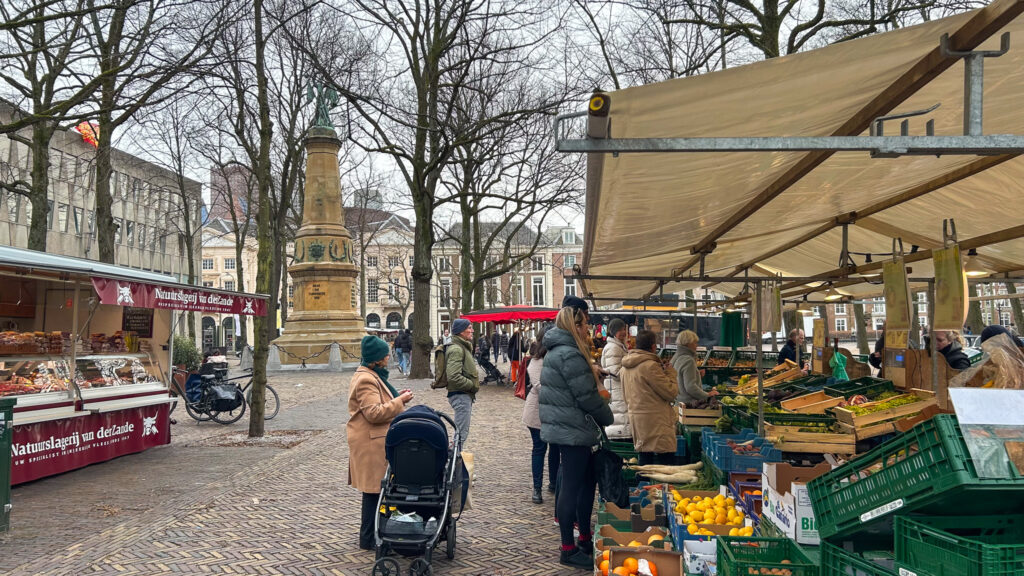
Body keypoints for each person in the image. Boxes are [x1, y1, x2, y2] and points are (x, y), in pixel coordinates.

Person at [540, 296, 613, 570]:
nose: (588, 329)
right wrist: (606, 416)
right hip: (573, 430)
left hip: (569, 428)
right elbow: (586, 396)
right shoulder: (570, 354)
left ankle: (583, 538)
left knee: (581, 486)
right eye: (585, 325)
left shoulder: (559, 351)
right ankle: (569, 549)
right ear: (576, 325)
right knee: (573, 488)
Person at [346, 335, 414, 551]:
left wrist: (396, 397)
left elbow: (378, 402)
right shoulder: (366, 379)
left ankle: (372, 535)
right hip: (371, 442)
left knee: (376, 491)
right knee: (374, 492)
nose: (388, 356)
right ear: (376, 359)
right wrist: (399, 401)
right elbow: (373, 413)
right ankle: (368, 538)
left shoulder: (373, 375)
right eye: (385, 354)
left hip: (373, 440)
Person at [621, 330, 679, 465]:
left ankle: (643, 485)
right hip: (656, 421)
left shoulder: (624, 367)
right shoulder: (650, 366)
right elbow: (671, 393)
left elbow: (625, 396)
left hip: (637, 420)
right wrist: (670, 373)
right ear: (653, 347)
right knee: (665, 463)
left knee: (645, 461)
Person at [521, 327, 559, 505]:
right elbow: (539, 386)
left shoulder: (555, 356)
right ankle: (537, 488)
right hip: (537, 411)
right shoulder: (537, 361)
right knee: (539, 448)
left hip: (554, 410)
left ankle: (553, 483)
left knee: (556, 447)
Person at [445, 319, 479, 447]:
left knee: (461, 433)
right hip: (460, 395)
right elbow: (453, 376)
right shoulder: (457, 349)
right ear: (461, 331)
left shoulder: (462, 347)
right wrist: (471, 385)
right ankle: (452, 461)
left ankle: (455, 458)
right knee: (460, 434)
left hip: (463, 395)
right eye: (469, 328)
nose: (472, 330)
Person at [600, 318, 631, 439]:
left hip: (620, 393)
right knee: (620, 425)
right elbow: (616, 373)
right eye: (620, 330)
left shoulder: (619, 347)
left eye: (624, 329)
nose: (623, 332)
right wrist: (631, 366)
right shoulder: (613, 348)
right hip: (618, 394)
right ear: (614, 332)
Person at [673, 329, 718, 405]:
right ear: (688, 343)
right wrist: (707, 395)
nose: (697, 345)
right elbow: (690, 387)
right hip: (689, 405)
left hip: (679, 402)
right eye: (695, 342)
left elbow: (680, 378)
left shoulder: (676, 357)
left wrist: (697, 375)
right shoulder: (688, 360)